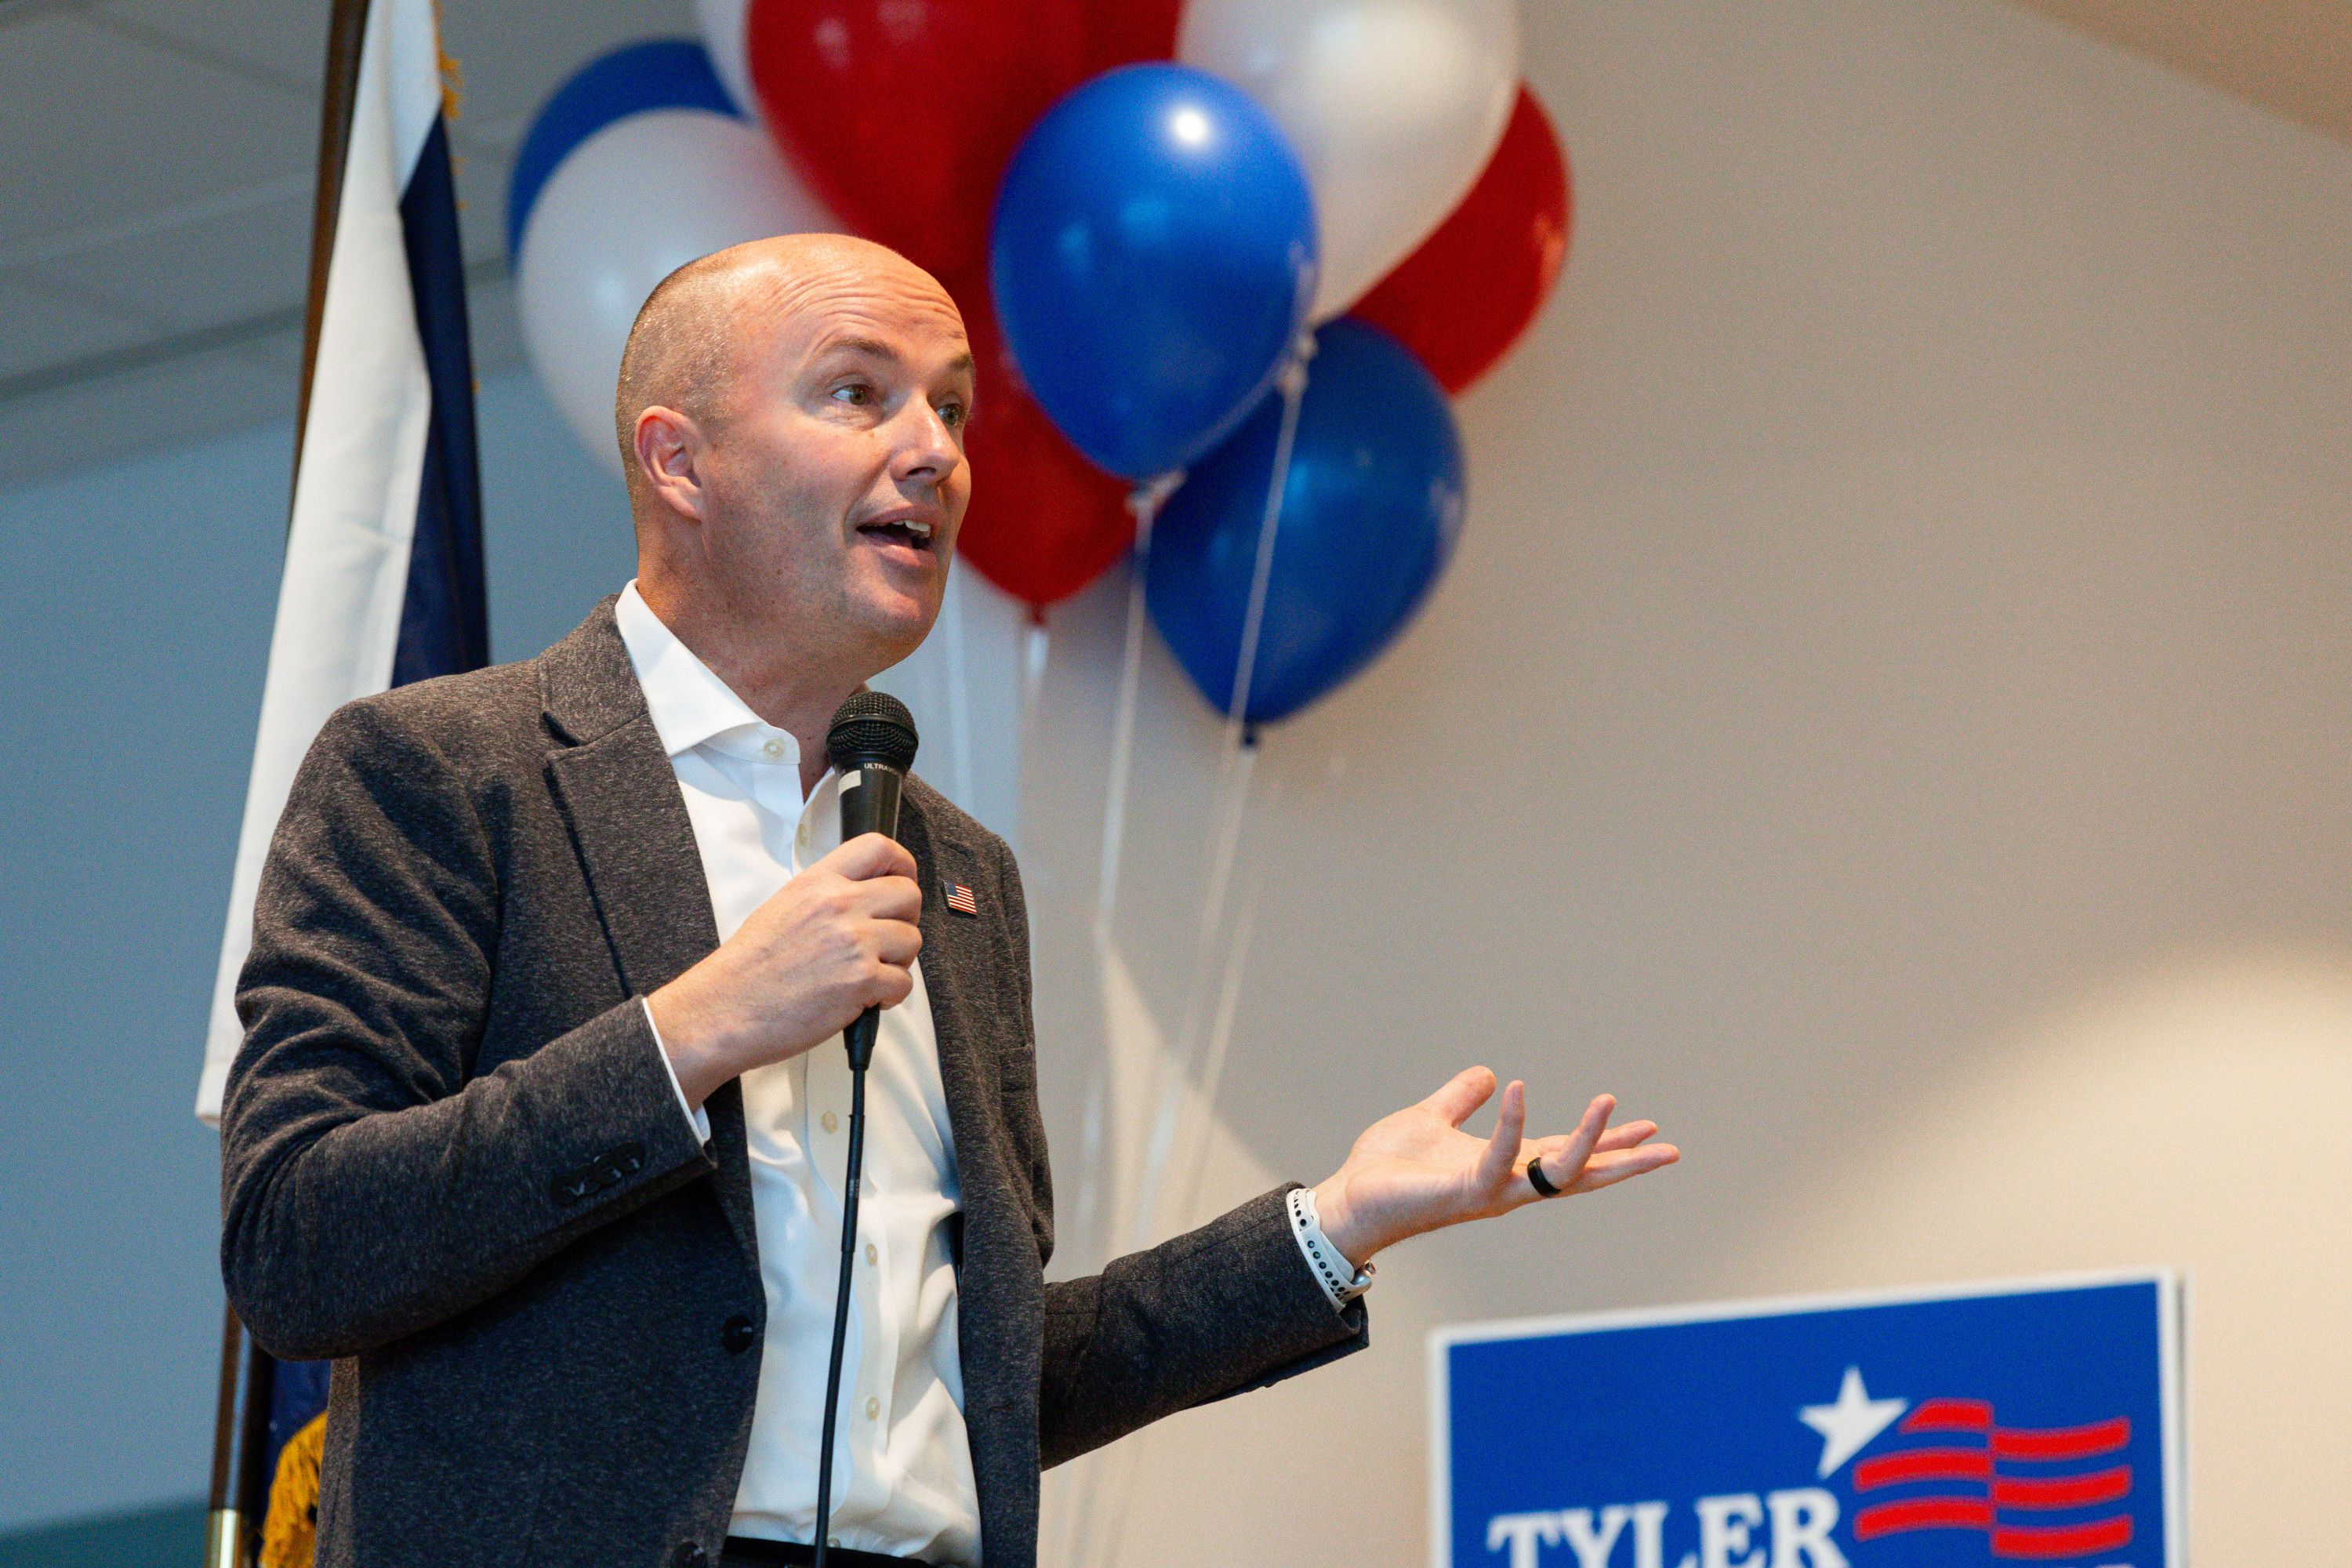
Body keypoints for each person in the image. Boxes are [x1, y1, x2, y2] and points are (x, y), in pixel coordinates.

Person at [218, 234, 1678, 1568]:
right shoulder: (445, 773)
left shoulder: (958, 871)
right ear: (679, 461)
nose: (933, 452)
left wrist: (1335, 1224)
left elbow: (982, 1380)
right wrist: (687, 1035)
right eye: (859, 395)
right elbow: (298, 1239)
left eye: (953, 409)